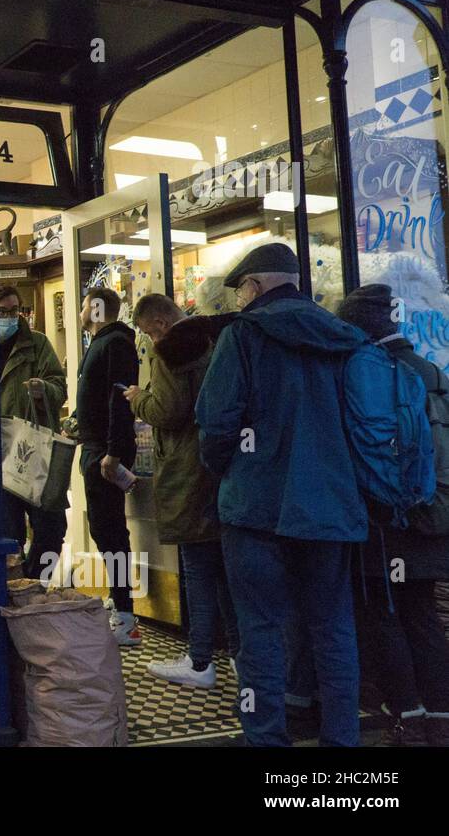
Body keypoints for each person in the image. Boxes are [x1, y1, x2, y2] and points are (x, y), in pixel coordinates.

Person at [196, 242, 367, 747]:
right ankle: (343, 741)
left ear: (255, 286)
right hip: (332, 509)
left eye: (242, 289)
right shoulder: (345, 338)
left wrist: (229, 469)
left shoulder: (243, 336)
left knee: (260, 633)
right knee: (334, 630)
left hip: (256, 512)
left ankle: (265, 737)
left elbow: (216, 423)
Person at [338, 284, 449, 746]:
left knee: (384, 612)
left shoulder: (368, 371)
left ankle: (407, 711)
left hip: (390, 515)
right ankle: (441, 715)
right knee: (423, 613)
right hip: (436, 507)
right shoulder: (431, 369)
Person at [125, 293, 239, 687]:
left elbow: (168, 412)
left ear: (157, 324)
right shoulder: (217, 338)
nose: (148, 340)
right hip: (219, 468)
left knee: (198, 570)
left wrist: (139, 400)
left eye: (145, 332)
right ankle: (240, 656)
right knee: (222, 570)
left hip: (187, 470)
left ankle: (199, 660)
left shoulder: (170, 352)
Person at [74, 286, 141, 646]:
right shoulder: (100, 345)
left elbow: (119, 400)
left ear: (97, 308)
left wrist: (113, 452)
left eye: (85, 305)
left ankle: (126, 615)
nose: (81, 310)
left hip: (105, 452)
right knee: (104, 530)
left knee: (111, 531)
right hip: (97, 447)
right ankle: (121, 605)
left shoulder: (114, 343)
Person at [0, 284, 68, 580]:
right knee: (8, 530)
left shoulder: (36, 343)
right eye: (2, 311)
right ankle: (15, 589)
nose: (10, 317)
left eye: (14, 310)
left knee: (51, 526)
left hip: (34, 448)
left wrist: (43, 390)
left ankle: (37, 581)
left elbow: (59, 386)